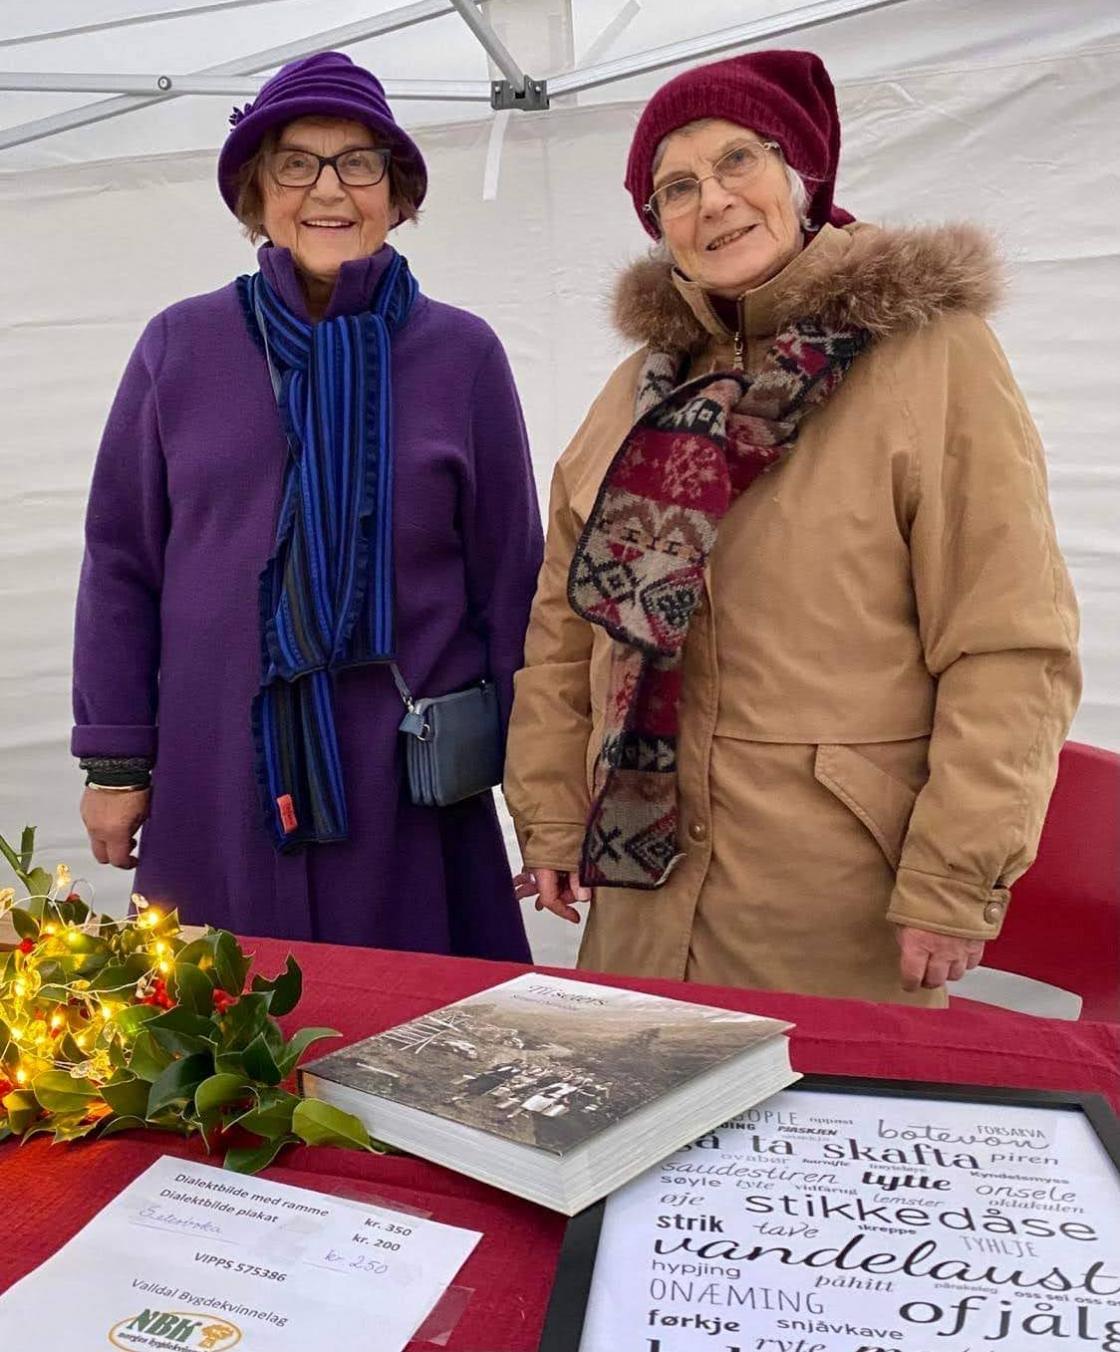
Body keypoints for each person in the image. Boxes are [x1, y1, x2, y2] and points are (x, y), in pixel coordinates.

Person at [504, 49, 1080, 1006]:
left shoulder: (932, 357)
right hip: (640, 901)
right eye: (675, 187)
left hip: (832, 897)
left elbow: (1008, 638)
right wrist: (554, 811)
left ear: (801, 173)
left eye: (739, 160)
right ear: (659, 226)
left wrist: (954, 874)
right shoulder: (640, 390)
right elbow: (564, 631)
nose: (713, 201)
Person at [72, 52, 542, 956]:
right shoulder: (181, 345)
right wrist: (117, 759)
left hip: (408, 785)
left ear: (398, 195)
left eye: (358, 162)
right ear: (257, 196)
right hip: (220, 773)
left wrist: (542, 787)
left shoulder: (462, 354)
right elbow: (122, 561)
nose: (329, 189)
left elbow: (511, 576)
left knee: (421, 1052)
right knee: (222, 1060)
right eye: (296, 162)